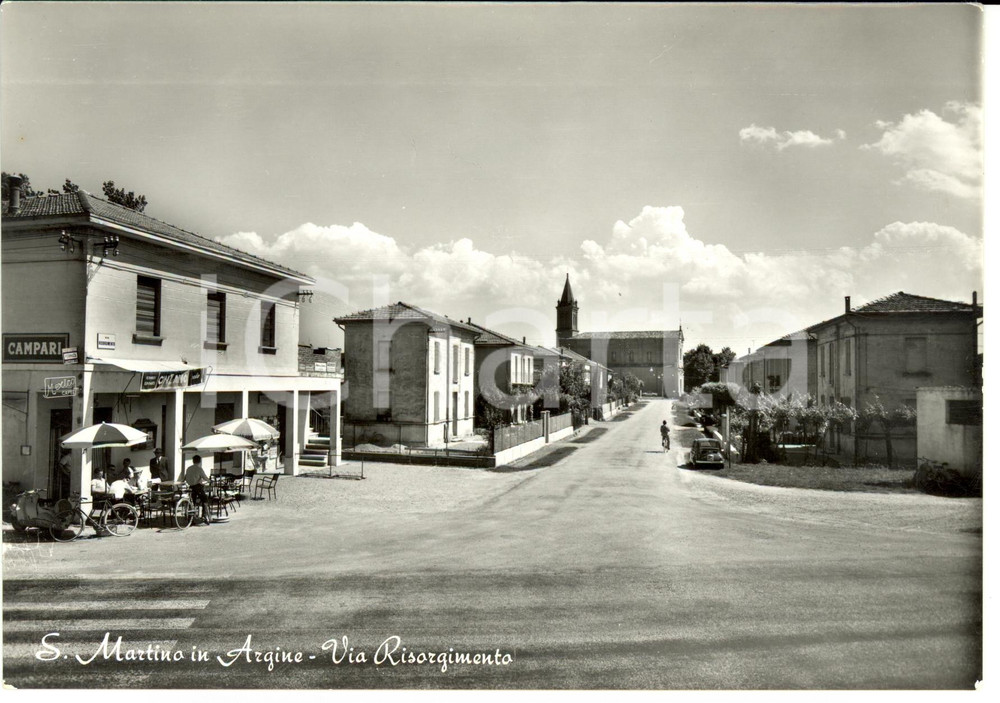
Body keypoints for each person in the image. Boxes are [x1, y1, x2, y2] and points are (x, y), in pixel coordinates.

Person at [184, 455, 211, 525]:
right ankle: (204, 516)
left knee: (192, 502)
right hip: (197, 487)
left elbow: (185, 477)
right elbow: (205, 478)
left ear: (193, 461)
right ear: (200, 461)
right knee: (205, 499)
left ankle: (191, 518)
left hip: (190, 487)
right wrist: (210, 481)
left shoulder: (188, 468)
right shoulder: (199, 469)